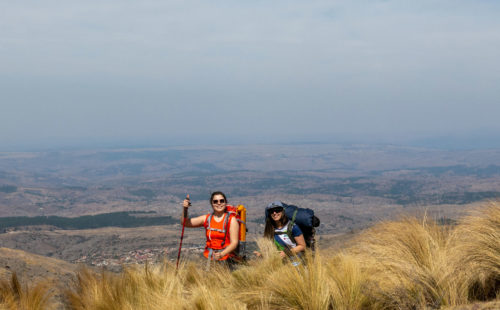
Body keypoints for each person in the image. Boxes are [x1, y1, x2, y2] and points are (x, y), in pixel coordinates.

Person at [181, 191, 239, 265]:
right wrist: (185, 209)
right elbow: (185, 223)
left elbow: (234, 243)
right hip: (208, 257)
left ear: (225, 202)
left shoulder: (231, 220)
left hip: (226, 259)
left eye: (222, 201)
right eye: (215, 201)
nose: (219, 203)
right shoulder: (207, 218)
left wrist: (222, 254)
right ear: (212, 204)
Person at [263, 201, 306, 265]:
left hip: (295, 260)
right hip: (277, 262)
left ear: (282, 211)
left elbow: (302, 246)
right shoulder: (269, 229)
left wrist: (286, 253)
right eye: (271, 211)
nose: (274, 213)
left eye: (277, 210)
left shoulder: (292, 227)